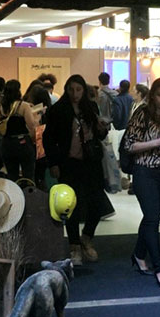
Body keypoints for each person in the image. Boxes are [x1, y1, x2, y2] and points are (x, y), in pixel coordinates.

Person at [42, 73, 109, 265]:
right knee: (71, 205)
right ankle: (74, 246)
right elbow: (48, 138)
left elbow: (100, 136)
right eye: (71, 89)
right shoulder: (58, 110)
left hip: (91, 162)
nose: (75, 93)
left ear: (84, 90)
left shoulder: (91, 108)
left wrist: (101, 128)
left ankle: (86, 237)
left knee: (97, 203)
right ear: (66, 90)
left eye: (79, 89)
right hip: (68, 163)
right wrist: (53, 163)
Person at [124, 76, 160, 289]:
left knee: (151, 217)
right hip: (144, 170)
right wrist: (157, 142)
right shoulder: (142, 113)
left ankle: (139, 255)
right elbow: (130, 145)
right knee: (152, 218)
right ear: (152, 95)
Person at [0, 79, 37, 183]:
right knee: (28, 175)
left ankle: (14, 192)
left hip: (6, 144)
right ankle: (27, 191)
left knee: (12, 176)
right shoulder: (23, 106)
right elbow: (31, 125)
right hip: (22, 143)